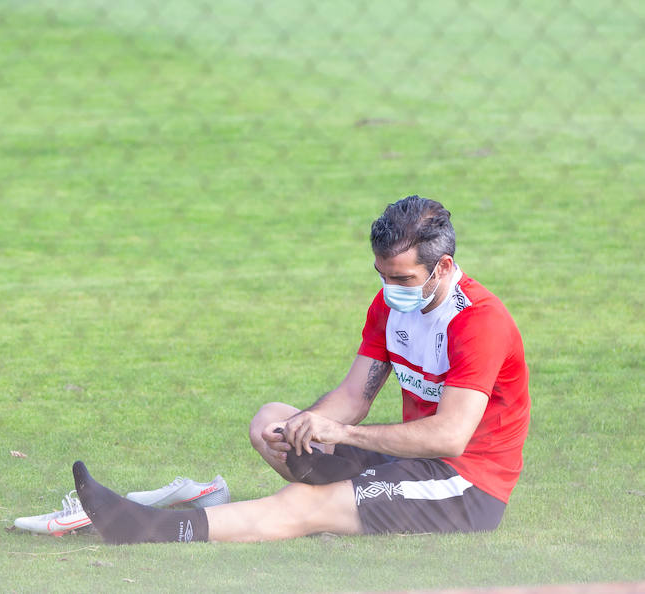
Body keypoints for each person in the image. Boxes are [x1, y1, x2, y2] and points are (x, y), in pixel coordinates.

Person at [71, 195, 529, 543]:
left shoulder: (478, 322)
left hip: (465, 486)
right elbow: (353, 397)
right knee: (271, 420)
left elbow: (450, 436)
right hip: (413, 460)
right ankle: (346, 502)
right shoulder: (390, 307)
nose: (390, 289)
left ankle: (147, 529)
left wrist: (340, 435)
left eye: (403, 279)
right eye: (381, 275)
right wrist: (303, 427)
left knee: (302, 502)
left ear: (442, 266)